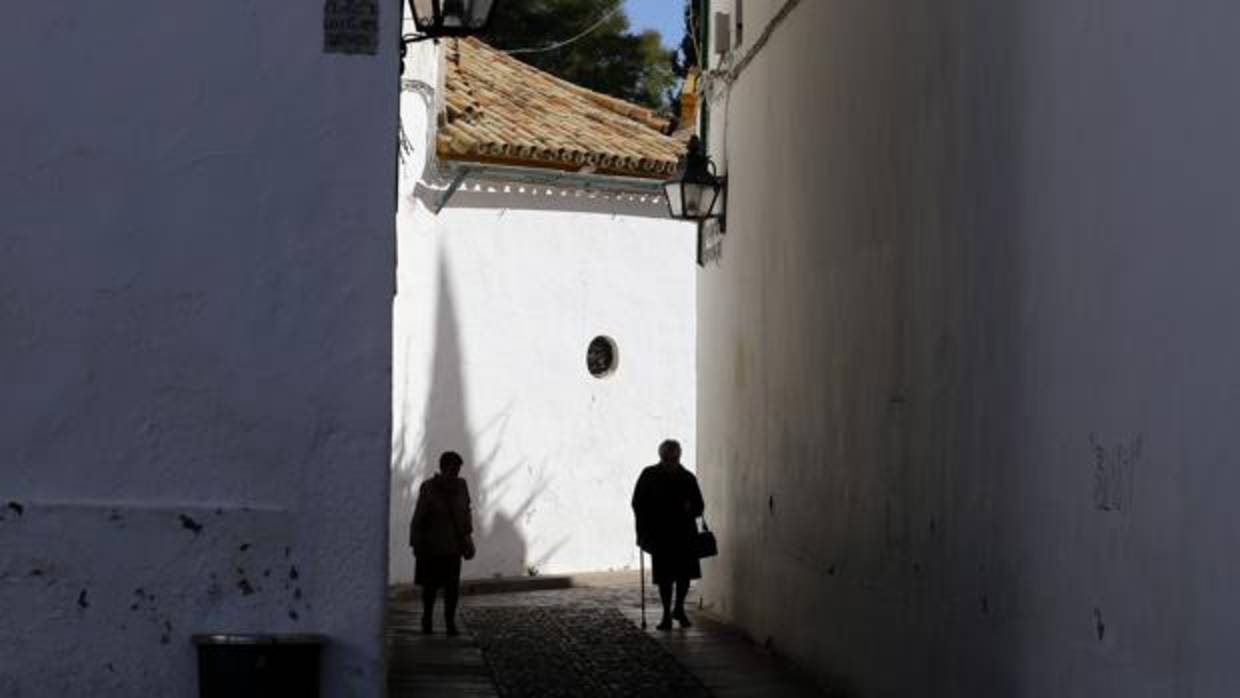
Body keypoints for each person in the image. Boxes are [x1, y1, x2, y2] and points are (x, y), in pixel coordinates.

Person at [631, 439, 705, 630]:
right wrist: (643, 529)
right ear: (661, 456)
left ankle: (678, 608)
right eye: (667, 457)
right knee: (665, 577)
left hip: (684, 534)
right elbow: (638, 503)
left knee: (684, 576)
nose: (671, 461)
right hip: (661, 534)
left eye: (674, 457)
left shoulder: (687, 478)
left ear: (679, 456)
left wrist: (691, 507)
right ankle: (666, 614)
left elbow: (699, 506)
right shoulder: (649, 475)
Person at [410, 450, 476, 636]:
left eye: (458, 470)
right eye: (453, 469)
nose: (455, 474)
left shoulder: (462, 486)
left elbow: (466, 511)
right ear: (443, 468)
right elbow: (418, 519)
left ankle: (450, 623)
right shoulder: (429, 488)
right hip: (432, 549)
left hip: (454, 549)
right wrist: (416, 544)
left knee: (452, 589)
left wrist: (467, 536)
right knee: (430, 589)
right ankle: (427, 619)